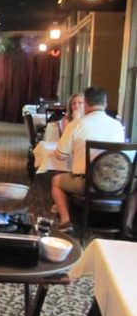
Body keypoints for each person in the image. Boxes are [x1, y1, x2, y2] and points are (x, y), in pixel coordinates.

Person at [51, 86, 125, 232]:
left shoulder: (77, 124)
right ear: (105, 104)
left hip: (87, 183)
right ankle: (126, 225)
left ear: (86, 104)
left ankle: (66, 221)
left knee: (56, 181)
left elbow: (61, 155)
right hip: (118, 184)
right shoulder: (118, 126)